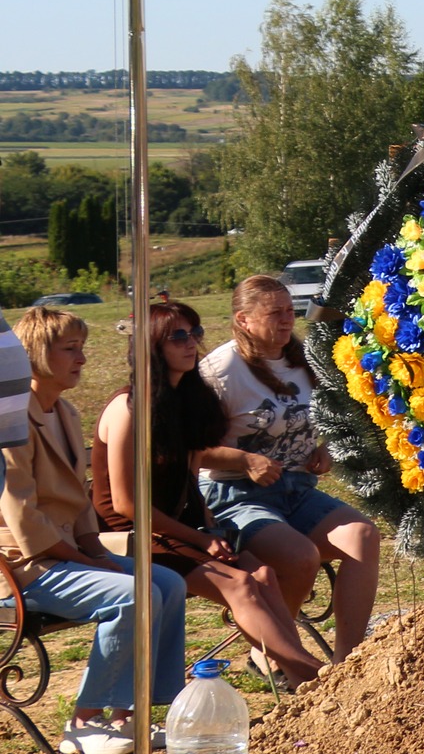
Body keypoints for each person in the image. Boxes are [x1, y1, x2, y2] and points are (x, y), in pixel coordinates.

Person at [95, 302, 325, 688]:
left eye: (195, 333)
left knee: (263, 574)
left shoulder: (185, 402)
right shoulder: (127, 407)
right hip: (133, 534)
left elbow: (188, 481)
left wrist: (211, 529)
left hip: (179, 526)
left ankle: (293, 673)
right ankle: (314, 675)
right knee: (240, 584)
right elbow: (125, 504)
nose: (191, 343)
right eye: (177, 336)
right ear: (151, 346)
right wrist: (201, 539)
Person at [2, 307, 187, 754]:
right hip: (24, 567)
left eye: (82, 347)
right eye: (71, 349)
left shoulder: (64, 411)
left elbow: (79, 502)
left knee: (168, 583)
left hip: (64, 555)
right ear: (34, 354)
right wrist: (88, 560)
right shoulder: (11, 419)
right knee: (133, 594)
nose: (82, 358)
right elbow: (21, 515)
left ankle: (131, 716)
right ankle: (84, 723)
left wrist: (96, 552)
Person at [197, 275, 381, 661]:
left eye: (289, 311)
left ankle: (347, 663)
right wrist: (245, 460)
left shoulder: (303, 359)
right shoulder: (220, 370)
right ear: (243, 319)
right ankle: (274, 656)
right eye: (274, 313)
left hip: (296, 489)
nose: (286, 320)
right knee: (299, 557)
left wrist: (326, 448)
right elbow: (190, 450)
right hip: (234, 495)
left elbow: (334, 416)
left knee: (363, 535)